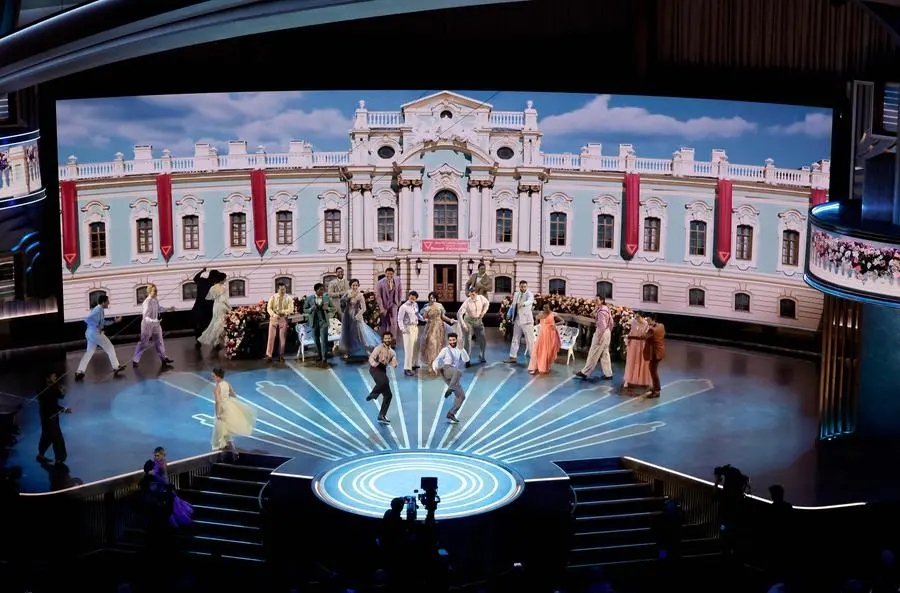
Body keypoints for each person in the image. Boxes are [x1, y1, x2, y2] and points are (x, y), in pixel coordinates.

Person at [75, 293, 126, 381]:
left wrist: (114, 321)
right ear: (103, 302)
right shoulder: (98, 310)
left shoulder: (99, 309)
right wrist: (97, 326)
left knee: (89, 352)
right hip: (95, 333)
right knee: (110, 347)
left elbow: (103, 323)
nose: (108, 303)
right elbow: (87, 319)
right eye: (107, 302)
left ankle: (79, 371)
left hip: (91, 333)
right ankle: (116, 367)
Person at [211, 367, 257, 456]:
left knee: (221, 427)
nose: (212, 378)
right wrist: (228, 400)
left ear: (217, 376)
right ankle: (229, 447)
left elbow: (217, 401)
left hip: (221, 408)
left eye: (213, 376)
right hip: (228, 406)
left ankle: (226, 448)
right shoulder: (227, 384)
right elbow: (234, 395)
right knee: (226, 428)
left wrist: (217, 413)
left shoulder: (217, 387)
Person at [132, 283, 175, 368]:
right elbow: (145, 317)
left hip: (156, 324)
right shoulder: (146, 302)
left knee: (159, 341)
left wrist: (168, 309)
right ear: (149, 291)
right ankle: (135, 360)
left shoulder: (155, 299)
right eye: (154, 291)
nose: (156, 292)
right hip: (147, 325)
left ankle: (163, 358)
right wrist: (153, 321)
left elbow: (159, 308)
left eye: (156, 291)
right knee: (144, 343)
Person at [339, 279, 382, 360]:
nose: (355, 287)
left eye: (356, 285)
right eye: (353, 285)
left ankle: (367, 350)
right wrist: (348, 298)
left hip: (356, 316)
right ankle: (347, 351)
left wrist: (358, 315)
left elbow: (364, 308)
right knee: (347, 333)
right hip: (347, 315)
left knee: (360, 333)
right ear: (350, 286)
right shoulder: (347, 293)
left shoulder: (360, 295)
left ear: (358, 285)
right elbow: (341, 301)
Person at [432, 333, 470, 424]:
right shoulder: (445, 350)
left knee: (461, 396)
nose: (452, 342)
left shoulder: (459, 349)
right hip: (447, 370)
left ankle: (451, 413)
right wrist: (435, 368)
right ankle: (450, 389)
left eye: (453, 340)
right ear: (448, 341)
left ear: (456, 340)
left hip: (454, 377)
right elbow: (437, 359)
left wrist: (462, 349)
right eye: (450, 340)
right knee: (458, 372)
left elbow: (466, 360)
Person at [576, 296, 614, 381]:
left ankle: (585, 372)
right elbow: (611, 322)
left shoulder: (601, 312)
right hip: (607, 332)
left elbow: (602, 326)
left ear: (602, 300)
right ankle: (608, 374)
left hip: (601, 333)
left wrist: (600, 337)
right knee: (605, 353)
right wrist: (609, 332)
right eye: (595, 300)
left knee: (594, 352)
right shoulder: (606, 309)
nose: (595, 301)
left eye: (597, 300)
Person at [36, 371, 70, 464]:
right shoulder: (45, 390)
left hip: (50, 416)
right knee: (57, 438)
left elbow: (57, 399)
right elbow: (54, 401)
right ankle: (59, 459)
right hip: (49, 417)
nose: (55, 378)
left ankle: (40, 455)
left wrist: (62, 392)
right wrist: (63, 409)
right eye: (53, 376)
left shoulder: (50, 387)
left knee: (47, 436)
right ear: (47, 378)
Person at [366, 332, 398, 425]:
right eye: (386, 338)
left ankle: (381, 416)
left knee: (388, 395)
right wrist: (374, 364)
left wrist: (394, 363)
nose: (387, 340)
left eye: (389, 338)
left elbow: (393, 362)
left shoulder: (392, 352)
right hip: (375, 368)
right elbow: (371, 358)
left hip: (383, 370)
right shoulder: (378, 348)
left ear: (391, 339)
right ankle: (373, 394)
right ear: (383, 339)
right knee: (384, 381)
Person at [420, 292, 455, 374]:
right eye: (431, 298)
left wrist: (450, 320)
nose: (432, 299)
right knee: (431, 345)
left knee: (437, 347)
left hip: (439, 327)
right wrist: (425, 313)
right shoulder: (426, 307)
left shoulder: (440, 306)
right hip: (431, 328)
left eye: (434, 298)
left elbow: (443, 317)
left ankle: (435, 364)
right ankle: (429, 364)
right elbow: (423, 317)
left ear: (436, 298)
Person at [304, 283, 336, 366]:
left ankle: (324, 358)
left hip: (323, 322)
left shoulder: (326, 298)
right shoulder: (309, 298)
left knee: (324, 340)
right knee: (316, 340)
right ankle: (319, 355)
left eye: (323, 289)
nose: (323, 291)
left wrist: (328, 308)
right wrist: (311, 309)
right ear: (316, 290)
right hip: (314, 322)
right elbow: (305, 309)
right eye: (321, 289)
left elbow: (333, 308)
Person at [505, 280, 535, 364]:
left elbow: (530, 301)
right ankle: (512, 357)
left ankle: (533, 358)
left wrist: (523, 304)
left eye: (525, 286)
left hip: (527, 321)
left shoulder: (530, 294)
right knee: (515, 338)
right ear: (519, 286)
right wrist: (509, 313)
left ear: (527, 286)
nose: (523, 288)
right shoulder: (516, 294)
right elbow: (513, 305)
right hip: (518, 319)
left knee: (529, 340)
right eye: (521, 286)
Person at [458, 286, 489, 367]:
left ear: (476, 293)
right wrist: (463, 324)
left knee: (482, 338)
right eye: (470, 294)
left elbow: (487, 303)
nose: (472, 295)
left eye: (473, 293)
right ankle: (467, 360)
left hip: (478, 320)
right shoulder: (467, 302)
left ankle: (482, 355)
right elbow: (459, 314)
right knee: (468, 340)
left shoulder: (481, 298)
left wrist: (483, 312)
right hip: (468, 320)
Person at [198, 272, 229, 350]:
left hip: (215, 306)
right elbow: (224, 300)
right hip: (222, 306)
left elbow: (208, 298)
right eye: (225, 278)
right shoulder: (223, 288)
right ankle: (217, 342)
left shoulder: (213, 287)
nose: (225, 279)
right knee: (221, 323)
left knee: (215, 322)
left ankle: (216, 342)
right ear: (222, 279)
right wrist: (229, 307)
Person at [529, 305, 563, 375]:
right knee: (538, 349)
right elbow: (536, 321)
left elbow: (562, 321)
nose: (545, 309)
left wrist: (555, 324)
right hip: (543, 334)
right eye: (544, 308)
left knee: (548, 351)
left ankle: (546, 366)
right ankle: (536, 367)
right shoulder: (541, 313)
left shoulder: (553, 314)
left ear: (549, 308)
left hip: (551, 334)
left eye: (547, 308)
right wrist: (537, 320)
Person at [266, 282, 295, 363]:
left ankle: (281, 355)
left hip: (283, 318)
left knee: (282, 338)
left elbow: (291, 309)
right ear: (277, 289)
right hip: (274, 318)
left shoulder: (288, 298)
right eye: (281, 289)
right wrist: (273, 314)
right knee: (271, 337)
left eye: (284, 289)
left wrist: (283, 312)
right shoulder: (273, 297)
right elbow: (269, 308)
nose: (283, 291)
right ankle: (269, 355)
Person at [191, 267, 219, 349]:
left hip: (199, 307)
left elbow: (195, 278)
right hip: (208, 309)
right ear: (214, 277)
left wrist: (202, 271)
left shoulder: (202, 281)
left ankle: (199, 342)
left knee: (199, 327)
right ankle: (215, 344)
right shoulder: (213, 286)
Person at [397, 291, 423, 376]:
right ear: (409, 296)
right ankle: (407, 368)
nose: (412, 298)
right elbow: (400, 319)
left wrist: (423, 319)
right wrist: (402, 329)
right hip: (407, 328)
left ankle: (414, 364)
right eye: (411, 296)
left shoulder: (415, 305)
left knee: (416, 347)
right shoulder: (403, 307)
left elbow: (417, 314)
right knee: (409, 349)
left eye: (414, 297)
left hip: (415, 327)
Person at [623, 313, 651, 390]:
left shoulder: (647, 325)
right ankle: (628, 380)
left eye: (638, 317)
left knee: (642, 362)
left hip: (642, 345)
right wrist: (627, 342)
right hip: (633, 345)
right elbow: (631, 332)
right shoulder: (634, 322)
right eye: (636, 317)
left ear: (642, 317)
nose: (637, 318)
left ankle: (644, 380)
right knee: (631, 361)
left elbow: (648, 336)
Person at [375, 267, 403, 336]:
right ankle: (383, 340)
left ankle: (393, 341)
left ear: (393, 274)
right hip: (384, 305)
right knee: (383, 323)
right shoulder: (380, 283)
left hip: (394, 304)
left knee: (393, 323)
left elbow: (400, 291)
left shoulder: (397, 280)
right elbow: (378, 297)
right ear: (385, 274)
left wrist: (398, 303)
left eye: (391, 274)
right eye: (388, 274)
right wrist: (381, 308)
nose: (389, 276)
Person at [643, 316, 666, 398]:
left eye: (649, 320)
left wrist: (646, 327)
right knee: (653, 370)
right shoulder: (661, 326)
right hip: (660, 351)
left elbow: (644, 337)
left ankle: (657, 390)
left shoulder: (652, 330)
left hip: (655, 353)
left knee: (653, 372)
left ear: (653, 320)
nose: (647, 322)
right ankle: (655, 387)